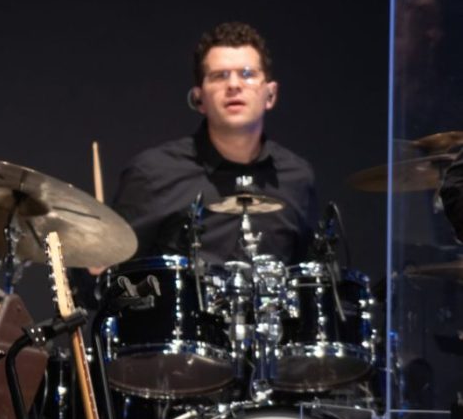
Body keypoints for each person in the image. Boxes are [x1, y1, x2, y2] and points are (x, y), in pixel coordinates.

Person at [111, 21, 318, 265]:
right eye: (219, 76)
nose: (234, 85)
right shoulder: (152, 174)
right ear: (199, 99)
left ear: (270, 95)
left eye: (248, 74)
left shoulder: (297, 177)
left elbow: (309, 276)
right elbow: (114, 274)